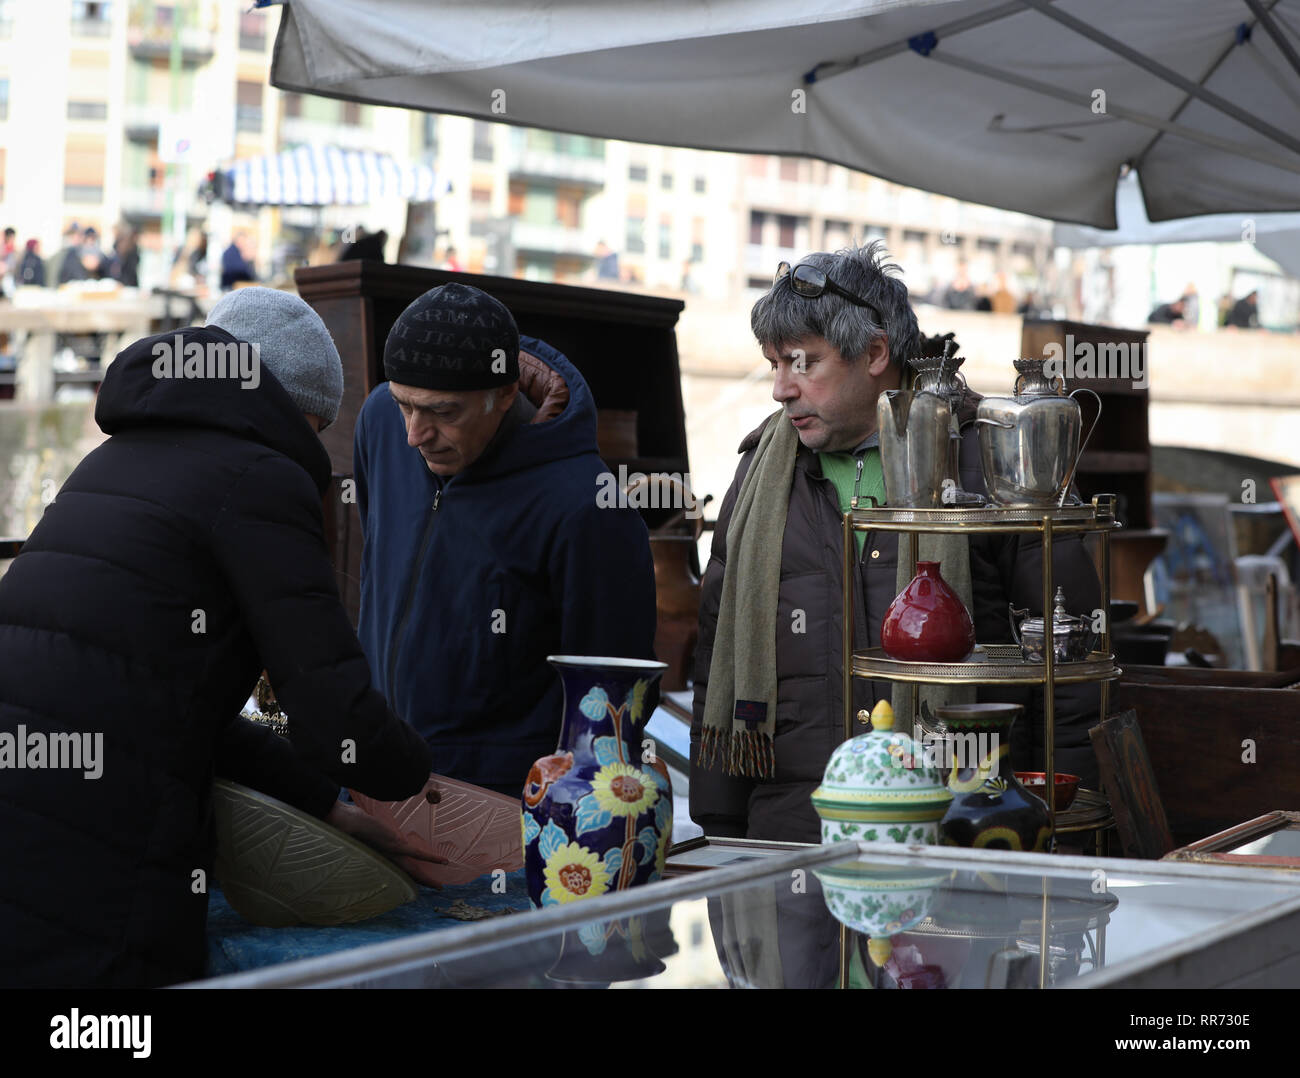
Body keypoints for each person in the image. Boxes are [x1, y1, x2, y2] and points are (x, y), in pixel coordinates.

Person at [0, 288, 439, 988]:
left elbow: (167, 697)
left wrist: (326, 805)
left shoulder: (110, 459)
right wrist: (423, 782)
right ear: (291, 408)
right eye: (318, 425)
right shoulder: (263, 476)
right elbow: (336, 713)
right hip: (111, 830)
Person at [689, 243, 1101, 843]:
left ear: (875, 352)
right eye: (774, 364)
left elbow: (1072, 666)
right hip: (789, 843)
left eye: (801, 363)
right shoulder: (760, 475)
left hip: (966, 841)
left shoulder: (999, 464)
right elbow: (714, 659)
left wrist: (1063, 824)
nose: (780, 388)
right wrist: (723, 831)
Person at [353, 283, 658, 795]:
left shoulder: (590, 507)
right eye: (404, 404)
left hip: (506, 818)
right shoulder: (378, 422)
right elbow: (376, 577)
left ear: (505, 394)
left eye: (443, 412)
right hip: (374, 781)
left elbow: (611, 706)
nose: (414, 434)